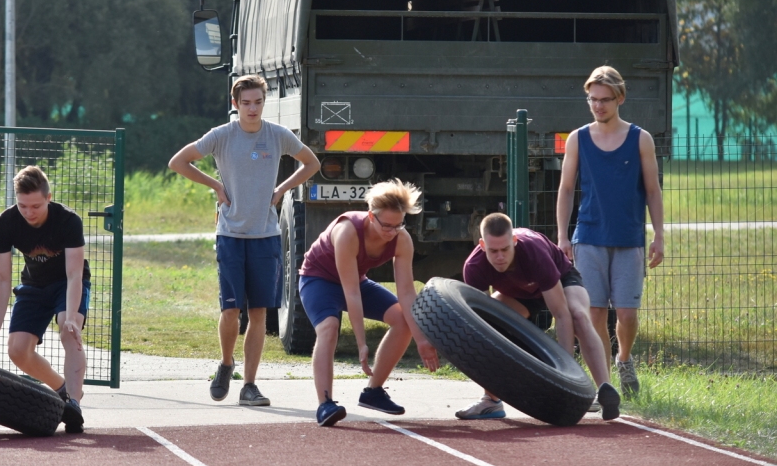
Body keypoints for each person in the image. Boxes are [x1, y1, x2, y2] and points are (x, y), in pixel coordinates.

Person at [169, 75, 320, 406]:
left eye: (258, 102)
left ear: (264, 103)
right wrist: (216, 186)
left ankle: (250, 385)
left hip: (266, 236)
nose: (253, 109)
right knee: (231, 310)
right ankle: (226, 363)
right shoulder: (222, 136)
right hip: (231, 235)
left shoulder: (277, 135)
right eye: (246, 103)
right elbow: (178, 162)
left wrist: (282, 190)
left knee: (259, 312)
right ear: (235, 104)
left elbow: (312, 163)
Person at [557, 66, 664, 398]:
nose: (598, 106)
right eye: (592, 99)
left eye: (605, 100)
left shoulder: (640, 138)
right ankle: (604, 385)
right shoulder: (577, 138)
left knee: (628, 313)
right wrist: (563, 236)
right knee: (595, 313)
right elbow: (566, 189)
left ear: (620, 98)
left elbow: (652, 190)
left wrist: (659, 234)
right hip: (588, 237)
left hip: (629, 238)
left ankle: (624, 359)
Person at [299, 179, 440, 427]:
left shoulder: (401, 238)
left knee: (402, 319)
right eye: (386, 225)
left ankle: (373, 392)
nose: (391, 232)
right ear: (371, 216)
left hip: (355, 280)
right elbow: (351, 293)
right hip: (318, 279)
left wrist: (422, 339)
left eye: (398, 225)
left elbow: (407, 291)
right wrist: (361, 343)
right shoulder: (348, 232)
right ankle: (325, 403)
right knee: (329, 328)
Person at [458, 213, 620, 421]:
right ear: (481, 245)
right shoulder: (474, 267)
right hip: (517, 294)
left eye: (505, 249)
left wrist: (564, 379)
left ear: (514, 241)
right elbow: (481, 323)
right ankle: (491, 401)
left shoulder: (534, 252)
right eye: (493, 251)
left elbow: (561, 315)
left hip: (560, 279)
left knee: (578, 316)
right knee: (491, 325)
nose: (500, 257)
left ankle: (605, 392)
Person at [0, 166, 88, 433]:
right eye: (23, 206)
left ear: (48, 198)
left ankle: (74, 403)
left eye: (35, 205)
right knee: (17, 351)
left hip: (66, 284)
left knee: (69, 332)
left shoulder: (69, 220)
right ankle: (62, 391)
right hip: (33, 286)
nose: (29, 212)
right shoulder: (4, 223)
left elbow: (74, 274)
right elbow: (2, 279)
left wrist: (70, 316)